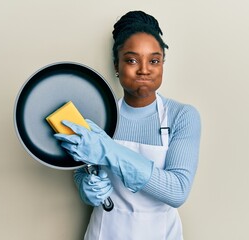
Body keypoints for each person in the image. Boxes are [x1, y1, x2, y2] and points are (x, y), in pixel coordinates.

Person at [54, 10, 201, 240]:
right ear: (116, 65)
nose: (144, 69)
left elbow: (177, 190)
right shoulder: (99, 115)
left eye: (154, 60)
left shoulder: (181, 116)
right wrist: (86, 188)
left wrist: (108, 150)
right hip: (105, 231)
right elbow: (82, 170)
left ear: (163, 64)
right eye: (132, 60)